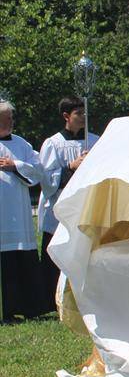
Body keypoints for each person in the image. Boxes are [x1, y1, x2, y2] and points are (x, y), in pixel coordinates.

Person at [38, 96, 99, 311]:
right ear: (66, 116)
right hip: (59, 207)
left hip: (84, 205)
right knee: (55, 252)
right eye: (78, 114)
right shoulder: (53, 144)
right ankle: (50, 302)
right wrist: (71, 167)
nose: (83, 117)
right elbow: (46, 180)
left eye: (85, 113)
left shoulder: (94, 140)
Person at [0, 100, 45, 321]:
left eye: (11, 117)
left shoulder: (22, 144)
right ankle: (6, 311)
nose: (12, 122)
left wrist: (15, 165)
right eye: (7, 118)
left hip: (19, 213)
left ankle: (29, 307)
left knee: (21, 259)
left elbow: (37, 171)